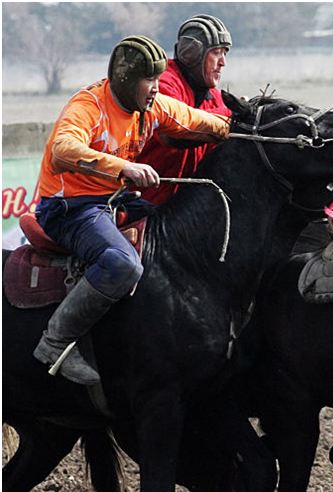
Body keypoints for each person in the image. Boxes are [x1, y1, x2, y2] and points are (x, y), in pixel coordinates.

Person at [32, 35, 231, 385]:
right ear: (125, 79)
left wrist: (238, 127)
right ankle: (55, 341)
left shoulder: (153, 107)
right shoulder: (88, 105)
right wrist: (121, 168)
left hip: (113, 200)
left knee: (177, 238)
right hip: (70, 207)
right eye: (149, 80)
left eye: (158, 79)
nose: (156, 88)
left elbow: (199, 121)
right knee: (121, 263)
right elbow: (63, 150)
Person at [137, 14, 233, 205]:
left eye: (225, 53)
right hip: (141, 202)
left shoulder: (213, 97)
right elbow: (175, 134)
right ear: (192, 53)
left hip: (182, 208)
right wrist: (233, 118)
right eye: (216, 52)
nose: (223, 62)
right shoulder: (163, 83)